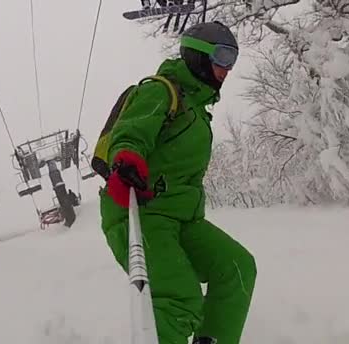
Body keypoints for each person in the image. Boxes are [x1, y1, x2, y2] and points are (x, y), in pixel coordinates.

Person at [99, 21, 256, 344]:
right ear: (198, 55)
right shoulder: (160, 90)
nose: (228, 69)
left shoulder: (198, 111)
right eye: (223, 57)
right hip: (142, 214)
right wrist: (126, 160)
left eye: (233, 60)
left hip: (183, 219)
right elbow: (132, 131)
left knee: (237, 267)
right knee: (179, 299)